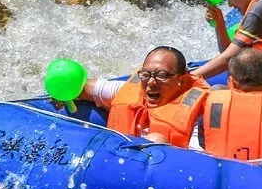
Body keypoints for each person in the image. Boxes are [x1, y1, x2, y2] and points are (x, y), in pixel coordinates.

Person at [82, 46, 210, 147]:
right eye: (146, 74)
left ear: (181, 80)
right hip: (115, 159)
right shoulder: (128, 91)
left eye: (161, 75)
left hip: (159, 172)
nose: (151, 82)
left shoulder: (198, 115)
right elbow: (83, 87)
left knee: (156, 140)